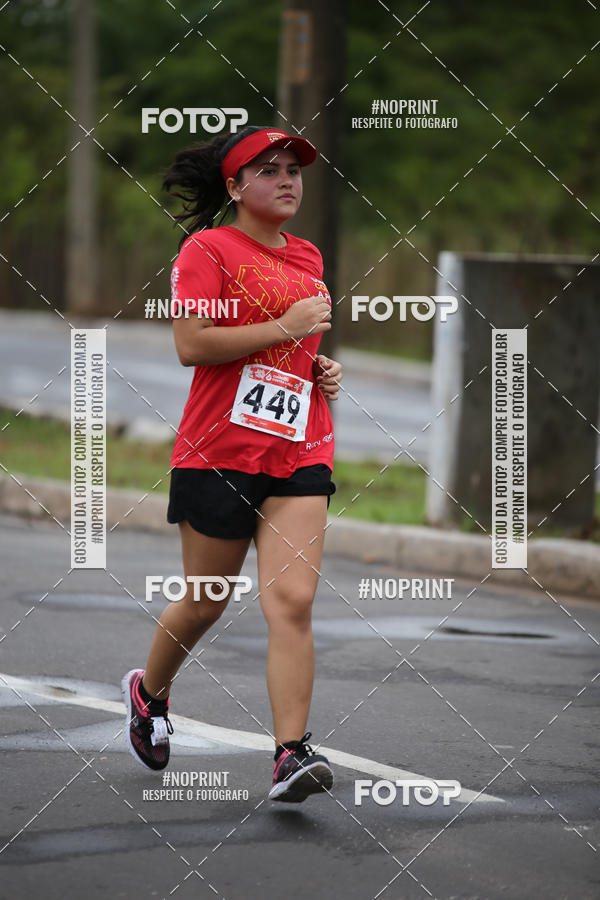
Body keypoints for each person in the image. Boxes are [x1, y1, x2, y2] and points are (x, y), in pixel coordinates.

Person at [122, 125, 342, 803]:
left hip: (299, 447)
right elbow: (192, 344)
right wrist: (287, 327)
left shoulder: (308, 255)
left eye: (293, 170)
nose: (286, 180)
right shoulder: (207, 250)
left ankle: (289, 755)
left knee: (293, 602)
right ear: (235, 186)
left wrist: (320, 369)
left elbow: (293, 349)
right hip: (219, 451)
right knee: (206, 601)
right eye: (268, 169)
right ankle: (149, 694)